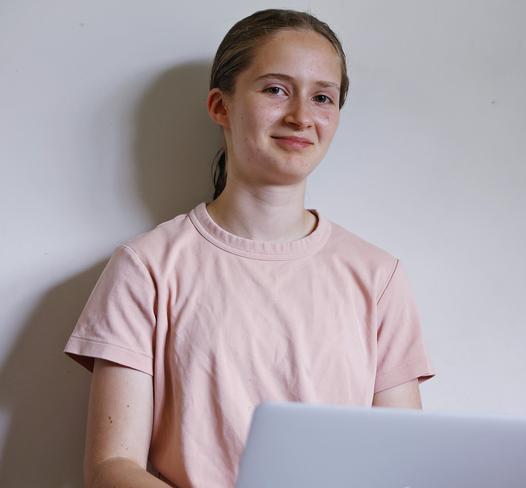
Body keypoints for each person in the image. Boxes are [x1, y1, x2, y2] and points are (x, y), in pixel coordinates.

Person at [64, 8, 435, 488]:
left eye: (323, 97)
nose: (301, 116)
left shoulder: (379, 276)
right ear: (221, 106)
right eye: (276, 89)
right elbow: (112, 467)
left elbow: (401, 463)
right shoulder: (146, 267)